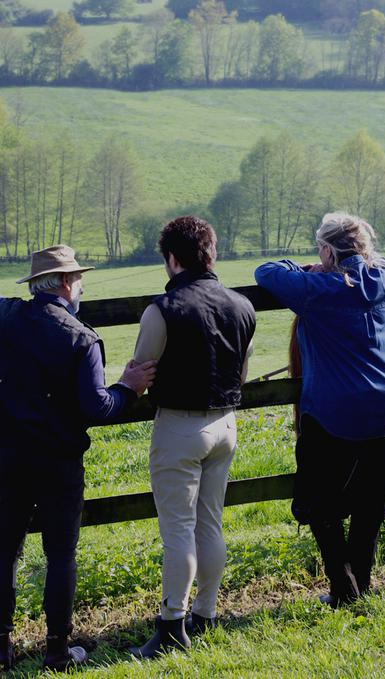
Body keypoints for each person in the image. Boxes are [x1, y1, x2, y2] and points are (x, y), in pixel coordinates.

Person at [0, 244, 156, 671]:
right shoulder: (81, 338)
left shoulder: (7, 316)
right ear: (66, 283)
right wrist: (127, 387)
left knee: (5, 549)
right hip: (59, 460)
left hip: (9, 457)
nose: (82, 287)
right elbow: (97, 407)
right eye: (80, 280)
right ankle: (55, 649)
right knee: (61, 553)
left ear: (39, 285)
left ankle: (0, 647)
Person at [254, 212, 385, 607]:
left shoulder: (315, 288)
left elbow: (265, 272)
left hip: (335, 409)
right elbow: (376, 264)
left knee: (320, 503)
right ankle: (361, 584)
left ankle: (343, 587)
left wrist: (303, 268)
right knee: (371, 504)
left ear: (325, 250)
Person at [129, 215, 256, 659]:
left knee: (178, 530)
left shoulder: (161, 310)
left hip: (180, 426)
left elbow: (140, 374)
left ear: (171, 258)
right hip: (226, 425)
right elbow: (241, 373)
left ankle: (170, 625)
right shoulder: (242, 307)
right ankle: (205, 613)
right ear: (211, 253)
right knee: (210, 522)